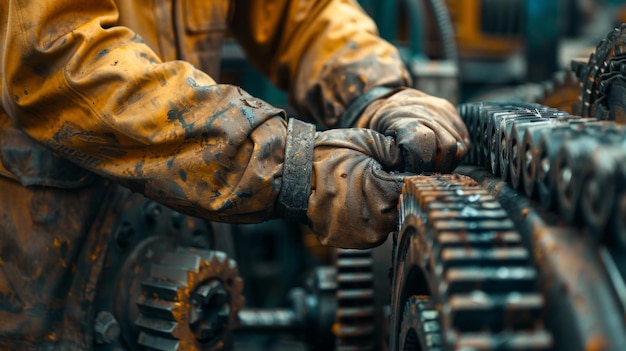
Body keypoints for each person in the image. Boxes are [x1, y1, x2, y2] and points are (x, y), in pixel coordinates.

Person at [0, 0, 469, 349]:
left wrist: (374, 92)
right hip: (44, 258)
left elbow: (299, 14)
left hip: (168, 233)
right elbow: (59, 57)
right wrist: (295, 168)